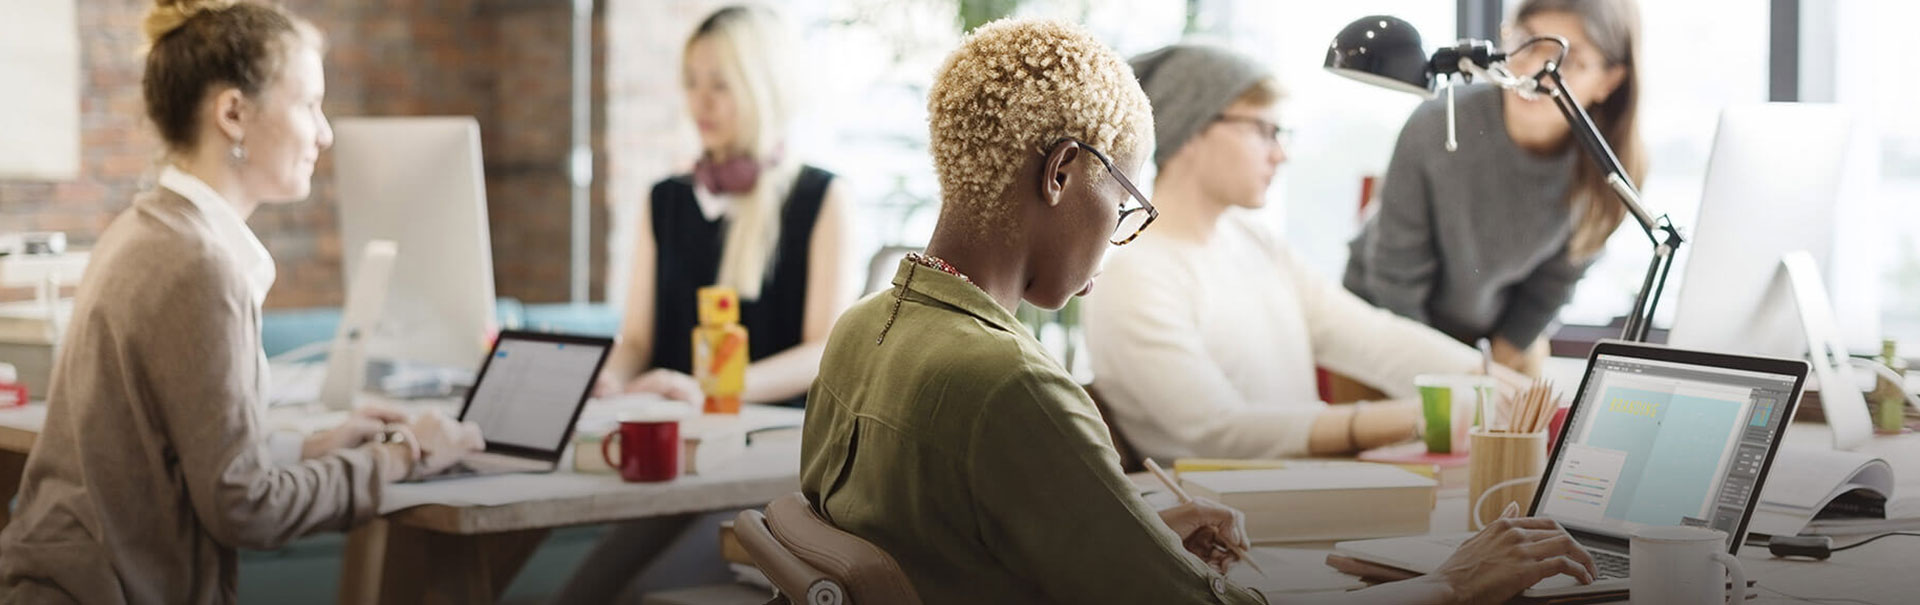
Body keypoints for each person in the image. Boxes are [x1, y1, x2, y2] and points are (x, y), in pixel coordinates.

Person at [800, 18, 1595, 604]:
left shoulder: (863, 329)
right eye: (1123, 202)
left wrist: (1130, 532)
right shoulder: (1011, 385)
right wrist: (1454, 583)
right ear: (1062, 173)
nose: (1119, 236)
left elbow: (970, 543)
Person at [0, 1, 482, 603]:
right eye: (308, 105)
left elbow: (180, 455)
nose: (325, 132)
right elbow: (247, 507)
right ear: (233, 113)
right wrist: (406, 455)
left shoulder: (146, 229)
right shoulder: (198, 264)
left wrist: (306, 448)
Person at [1084, 44, 1521, 462]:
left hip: (1302, 491)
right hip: (1223, 507)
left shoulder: (1256, 243)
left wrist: (1480, 376)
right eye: (1264, 131)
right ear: (1192, 130)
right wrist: (1415, 415)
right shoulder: (1134, 275)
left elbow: (1368, 336)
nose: (1281, 154)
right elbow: (1220, 431)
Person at [1344, 0, 1645, 376]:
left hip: (1485, 333)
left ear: (1609, 81)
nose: (1533, 69)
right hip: (1386, 322)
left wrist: (1489, 371)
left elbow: (1550, 289)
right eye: (1525, 42)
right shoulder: (1437, 123)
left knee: (1528, 378)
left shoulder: (1608, 171)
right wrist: (1445, 380)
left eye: (1567, 60)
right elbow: (1397, 278)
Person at [595, 4, 858, 409]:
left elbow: (824, 350)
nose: (700, 102)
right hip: (675, 422)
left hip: (773, 430)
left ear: (763, 87)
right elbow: (636, 343)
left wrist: (713, 388)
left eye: (720, 84)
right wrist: (607, 379)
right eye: (691, 82)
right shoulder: (664, 200)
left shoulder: (822, 197)